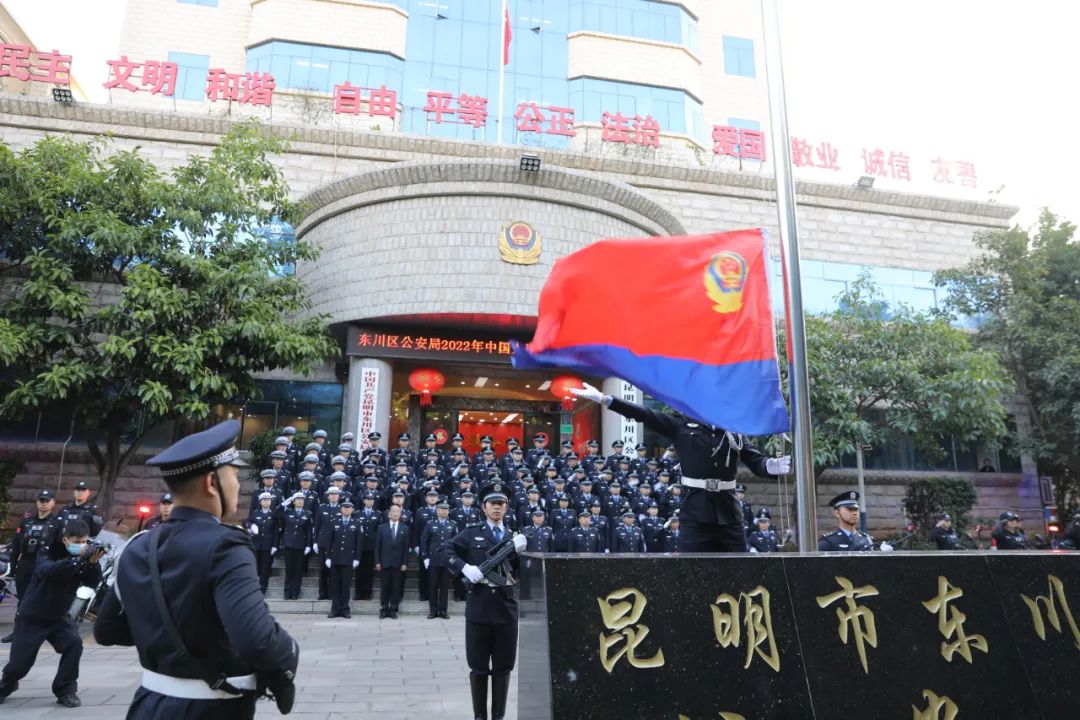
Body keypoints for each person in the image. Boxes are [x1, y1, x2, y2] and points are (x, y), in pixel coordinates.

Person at [93, 419, 297, 719]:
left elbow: (107, 629)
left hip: (147, 704)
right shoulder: (226, 547)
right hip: (210, 709)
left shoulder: (138, 546)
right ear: (212, 483)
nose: (238, 485)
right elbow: (257, 640)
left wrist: (169, 643)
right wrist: (290, 652)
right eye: (234, 476)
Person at [570, 382, 789, 552]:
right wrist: (605, 399)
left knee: (738, 569)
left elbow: (754, 461)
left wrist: (771, 465)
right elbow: (644, 414)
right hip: (695, 509)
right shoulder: (681, 425)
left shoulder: (733, 431)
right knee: (693, 570)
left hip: (728, 511)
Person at [440, 483, 527, 720]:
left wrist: (521, 553)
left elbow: (523, 572)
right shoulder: (471, 533)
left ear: (507, 508)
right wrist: (464, 568)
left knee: (503, 667)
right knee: (478, 667)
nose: (497, 508)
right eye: (493, 504)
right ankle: (480, 716)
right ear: (483, 507)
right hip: (479, 607)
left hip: (506, 608)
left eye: (501, 504)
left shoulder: (514, 537)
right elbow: (445, 550)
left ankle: (498, 716)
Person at [0, 519, 103, 707]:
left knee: (74, 644)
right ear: (65, 540)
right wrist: (77, 559)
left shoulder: (84, 558)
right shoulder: (48, 551)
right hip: (33, 616)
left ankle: (66, 689)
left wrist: (93, 563)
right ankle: (7, 684)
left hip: (59, 616)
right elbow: (47, 570)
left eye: (84, 541)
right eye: (77, 541)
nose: (82, 545)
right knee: (19, 665)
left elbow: (92, 582)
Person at [4, 489, 63, 643]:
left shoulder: (56, 523)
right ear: (37, 502)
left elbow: (60, 548)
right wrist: (13, 565)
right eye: (41, 501)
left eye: (47, 501)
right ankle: (18, 632)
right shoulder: (27, 521)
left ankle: (42, 632)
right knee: (23, 600)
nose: (44, 504)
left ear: (53, 503)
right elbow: (16, 545)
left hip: (45, 564)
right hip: (26, 564)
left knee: (42, 599)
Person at [323, 500, 362, 619]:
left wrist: (357, 558)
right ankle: (335, 609)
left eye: (349, 507)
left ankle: (345, 609)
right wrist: (328, 557)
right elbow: (328, 541)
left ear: (352, 509)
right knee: (334, 586)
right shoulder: (334, 522)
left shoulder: (357, 523)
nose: (346, 509)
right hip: (335, 559)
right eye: (344, 507)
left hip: (349, 560)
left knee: (345, 586)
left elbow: (358, 543)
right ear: (341, 509)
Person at [818, 491, 891, 552]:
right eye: (849, 509)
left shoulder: (866, 539)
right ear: (837, 513)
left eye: (856, 509)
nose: (854, 513)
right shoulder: (828, 542)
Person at [421, 502, 457, 620]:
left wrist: (454, 558)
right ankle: (433, 610)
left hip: (446, 560)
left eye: (446, 509)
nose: (444, 511)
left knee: (444, 587)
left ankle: (443, 611)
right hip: (434, 560)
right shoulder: (430, 524)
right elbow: (424, 541)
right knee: (433, 586)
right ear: (437, 511)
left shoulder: (452, 524)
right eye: (442, 509)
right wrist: (425, 557)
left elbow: (456, 542)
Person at [374, 504, 409, 619]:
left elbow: (406, 548)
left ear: (400, 514)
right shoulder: (381, 528)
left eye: (397, 511)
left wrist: (404, 563)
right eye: (393, 511)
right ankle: (384, 608)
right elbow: (377, 546)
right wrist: (378, 562)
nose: (395, 513)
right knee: (385, 587)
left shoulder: (405, 528)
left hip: (398, 564)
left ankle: (393, 609)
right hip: (384, 562)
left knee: (396, 587)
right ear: (389, 513)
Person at [278, 493, 313, 600]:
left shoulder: (308, 513)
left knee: (298, 571)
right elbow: (275, 515)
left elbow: (309, 531)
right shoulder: (288, 512)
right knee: (289, 570)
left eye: (302, 500)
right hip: (289, 544)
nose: (300, 501)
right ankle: (287, 592)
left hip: (300, 545)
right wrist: (282, 505)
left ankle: (295, 593)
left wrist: (308, 545)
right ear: (293, 502)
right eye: (297, 499)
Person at [247, 492, 280, 594]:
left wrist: (275, 545)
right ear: (260, 502)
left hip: (268, 546)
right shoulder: (254, 513)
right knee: (255, 567)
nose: (267, 502)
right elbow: (249, 526)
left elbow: (275, 532)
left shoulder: (273, 514)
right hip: (256, 544)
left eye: (269, 500)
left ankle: (263, 589)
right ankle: (253, 587)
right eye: (264, 500)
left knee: (265, 569)